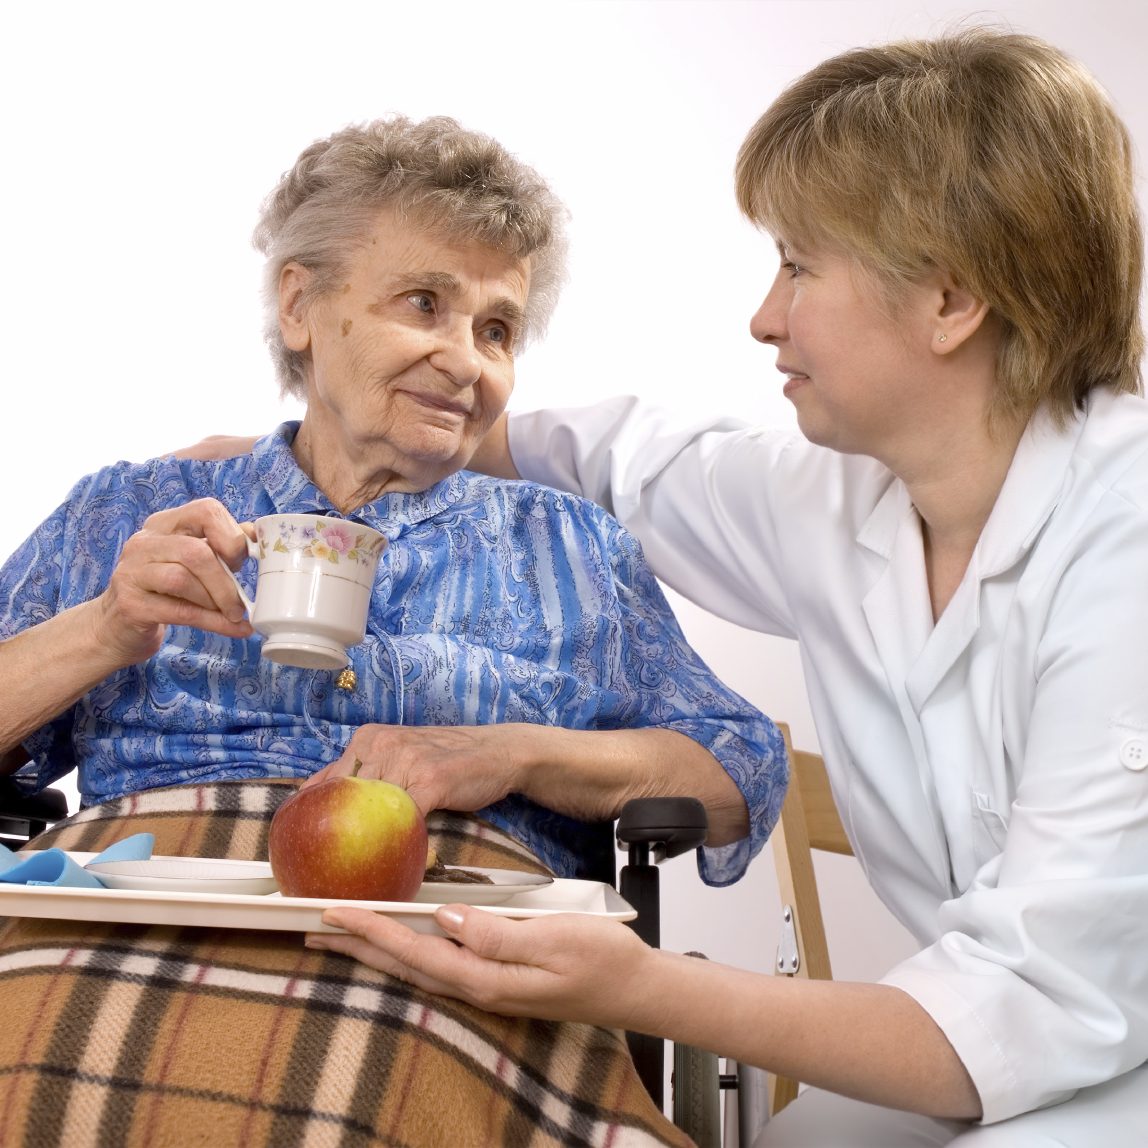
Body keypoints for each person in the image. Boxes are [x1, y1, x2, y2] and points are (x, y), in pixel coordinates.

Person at [295, 29, 1148, 1147]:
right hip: (994, 1038)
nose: (764, 315)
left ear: (948, 299)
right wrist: (317, 438)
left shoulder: (1120, 541)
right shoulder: (838, 499)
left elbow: (1041, 1001)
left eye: (798, 264)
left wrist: (630, 982)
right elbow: (619, 457)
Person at [0, 115, 784, 1146]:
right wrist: (105, 625)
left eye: (497, 329)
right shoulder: (130, 511)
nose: (464, 360)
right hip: (136, 916)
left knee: (361, 1099)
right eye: (425, 302)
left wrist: (514, 753)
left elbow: (735, 766)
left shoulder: (568, 547)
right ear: (300, 305)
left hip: (448, 944)